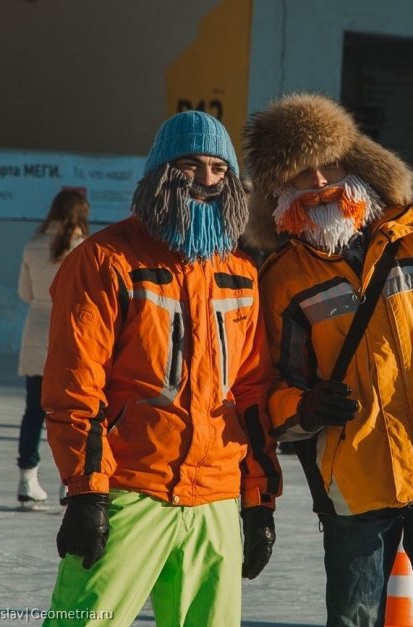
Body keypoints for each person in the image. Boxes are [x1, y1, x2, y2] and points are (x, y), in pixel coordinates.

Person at [242, 92, 413, 626]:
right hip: (354, 491)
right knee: (354, 620)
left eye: (331, 164)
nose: (320, 182)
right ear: (280, 190)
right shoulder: (282, 279)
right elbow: (270, 390)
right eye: (302, 173)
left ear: (357, 163)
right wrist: (305, 407)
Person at [42, 110, 281, 626]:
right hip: (129, 491)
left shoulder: (240, 272)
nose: (206, 180)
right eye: (190, 165)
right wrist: (87, 492)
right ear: (160, 172)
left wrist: (258, 500)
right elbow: (75, 387)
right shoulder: (104, 260)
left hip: (215, 500)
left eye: (219, 169)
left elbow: (253, 392)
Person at [15, 188, 89, 509]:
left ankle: (27, 479)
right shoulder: (83, 248)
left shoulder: (33, 246)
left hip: (36, 333)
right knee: (70, 412)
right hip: (70, 336)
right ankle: (68, 482)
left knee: (34, 411)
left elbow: (25, 293)